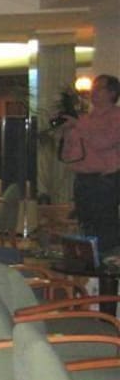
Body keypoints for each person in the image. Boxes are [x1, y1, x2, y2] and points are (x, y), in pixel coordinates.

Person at [58, 73, 120, 253]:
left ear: (112, 93)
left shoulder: (116, 117)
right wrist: (67, 133)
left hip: (104, 179)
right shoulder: (85, 119)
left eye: (99, 88)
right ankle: (89, 264)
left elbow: (104, 142)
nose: (94, 92)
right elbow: (70, 154)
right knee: (86, 223)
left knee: (104, 225)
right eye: (94, 88)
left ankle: (107, 262)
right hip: (82, 179)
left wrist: (78, 126)